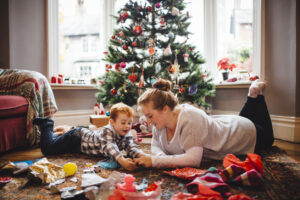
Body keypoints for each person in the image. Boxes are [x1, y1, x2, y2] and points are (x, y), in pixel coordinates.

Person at [134, 78, 274, 168]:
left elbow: (193, 160)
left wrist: (155, 161)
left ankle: (255, 95)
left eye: (150, 115)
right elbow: (155, 146)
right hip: (226, 123)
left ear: (165, 109)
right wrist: (161, 159)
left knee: (268, 139)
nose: (147, 121)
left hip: (244, 133)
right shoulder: (159, 123)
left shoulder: (191, 118)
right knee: (241, 120)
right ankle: (252, 98)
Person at [33, 102, 145, 171]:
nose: (127, 126)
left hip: (79, 147)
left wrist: (141, 155)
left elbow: (131, 147)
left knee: (57, 145)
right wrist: (122, 161)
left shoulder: (126, 132)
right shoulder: (107, 130)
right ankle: (47, 124)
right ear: (112, 122)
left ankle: (55, 135)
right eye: (123, 122)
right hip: (75, 138)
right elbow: (110, 147)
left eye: (130, 123)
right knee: (48, 149)